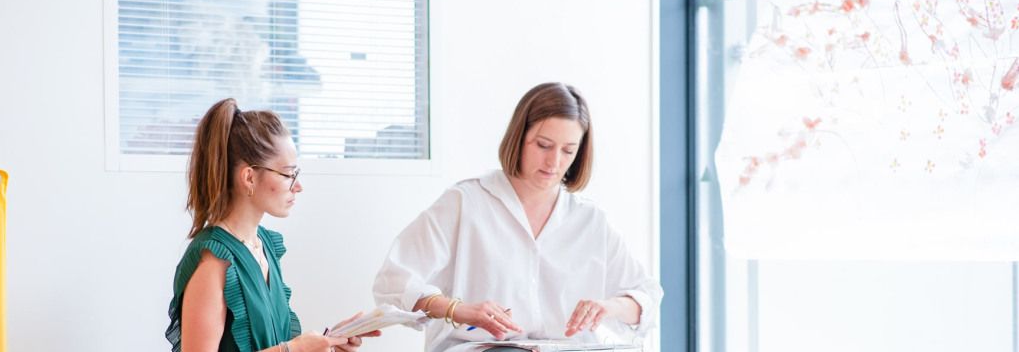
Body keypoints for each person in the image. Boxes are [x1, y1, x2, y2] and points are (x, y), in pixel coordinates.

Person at [373, 83, 663, 352]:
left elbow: (647, 296)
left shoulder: (590, 220)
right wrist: (458, 310)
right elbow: (394, 282)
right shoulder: (465, 203)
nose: (554, 162)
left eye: (568, 151)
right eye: (543, 145)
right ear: (519, 137)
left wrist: (609, 307)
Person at [166, 98, 379, 352]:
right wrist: (293, 349)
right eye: (289, 174)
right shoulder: (214, 261)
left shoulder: (264, 245)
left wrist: (329, 343)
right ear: (249, 177)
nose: (298, 186)